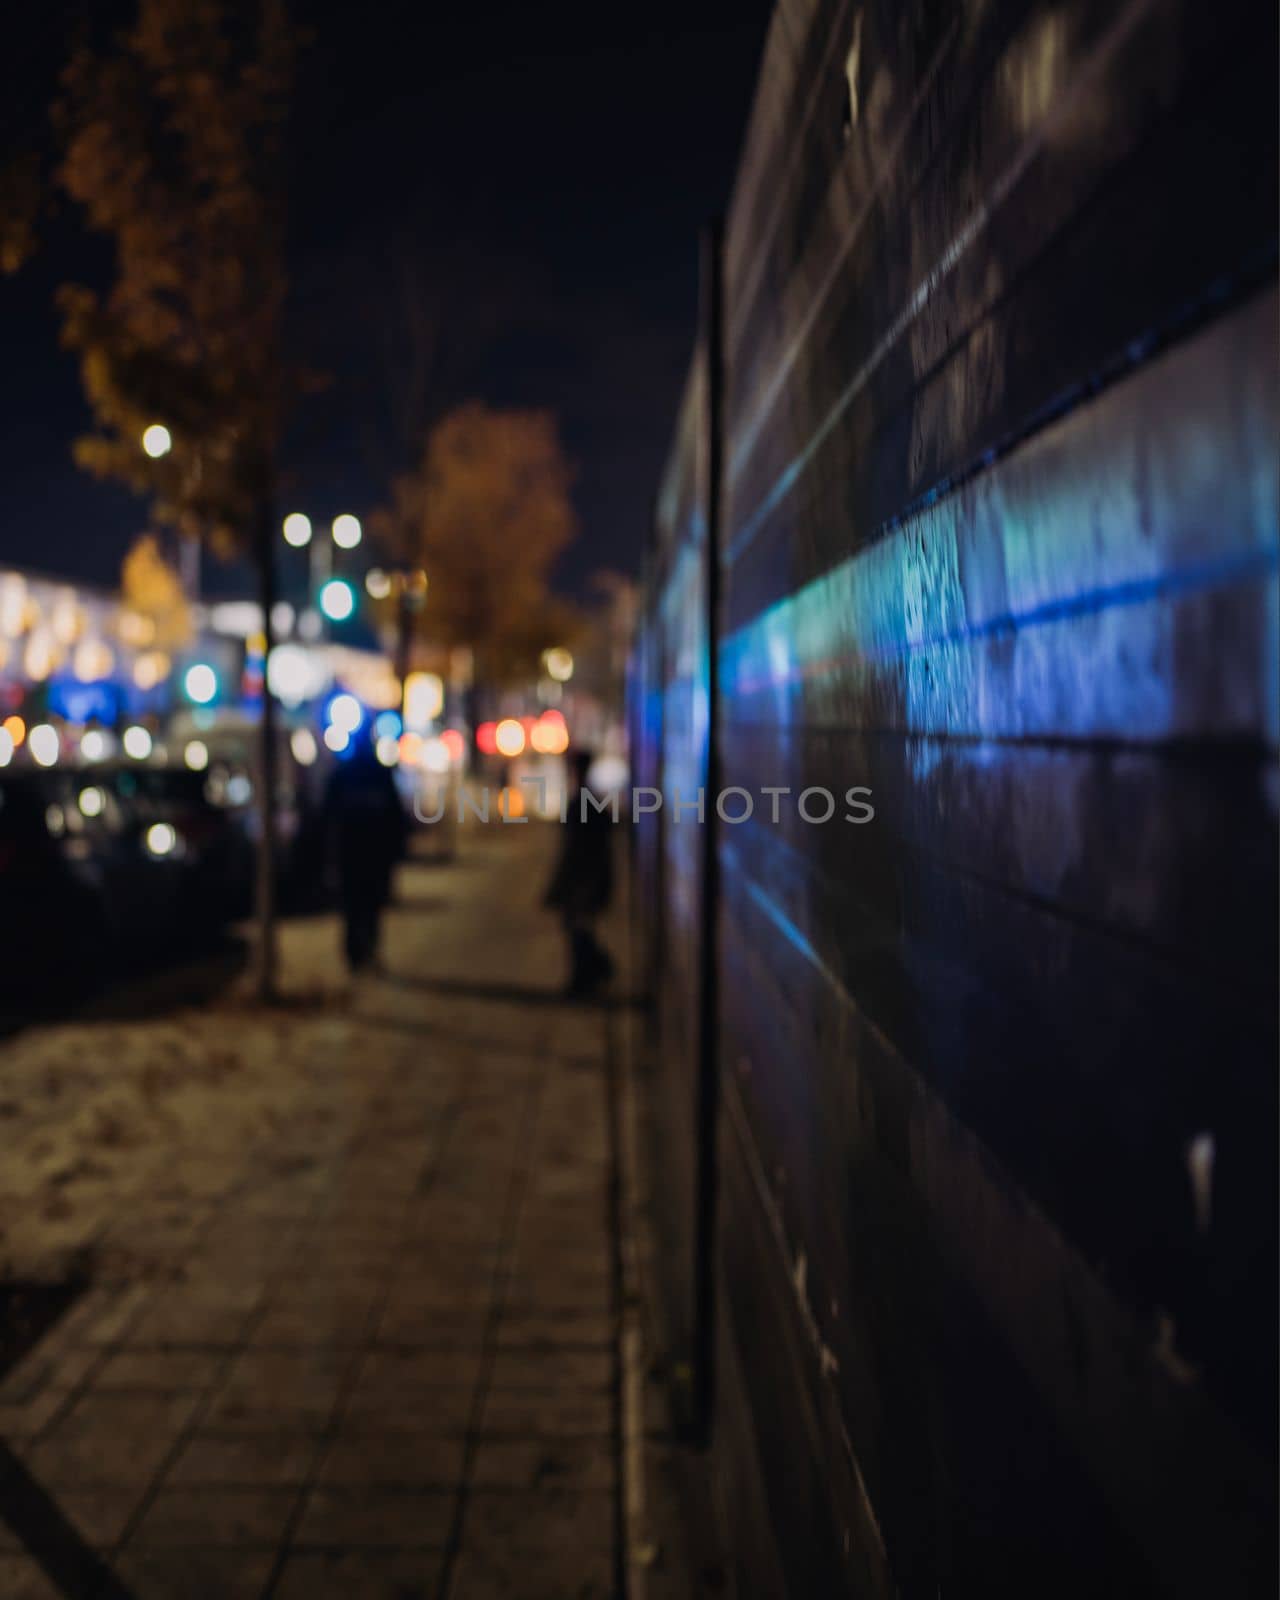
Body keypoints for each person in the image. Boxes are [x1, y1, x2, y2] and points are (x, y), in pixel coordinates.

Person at [323, 730, 407, 973]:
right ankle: (362, 952)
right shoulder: (376, 774)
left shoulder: (346, 774)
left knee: (358, 906)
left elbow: (328, 817)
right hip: (368, 856)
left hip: (358, 855)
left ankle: (358, 954)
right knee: (367, 907)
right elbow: (395, 818)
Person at [545, 748, 615, 997]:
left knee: (576, 925)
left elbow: (579, 847)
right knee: (578, 925)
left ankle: (590, 972)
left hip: (583, 877)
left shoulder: (584, 801)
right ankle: (593, 970)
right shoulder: (589, 799)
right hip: (587, 876)